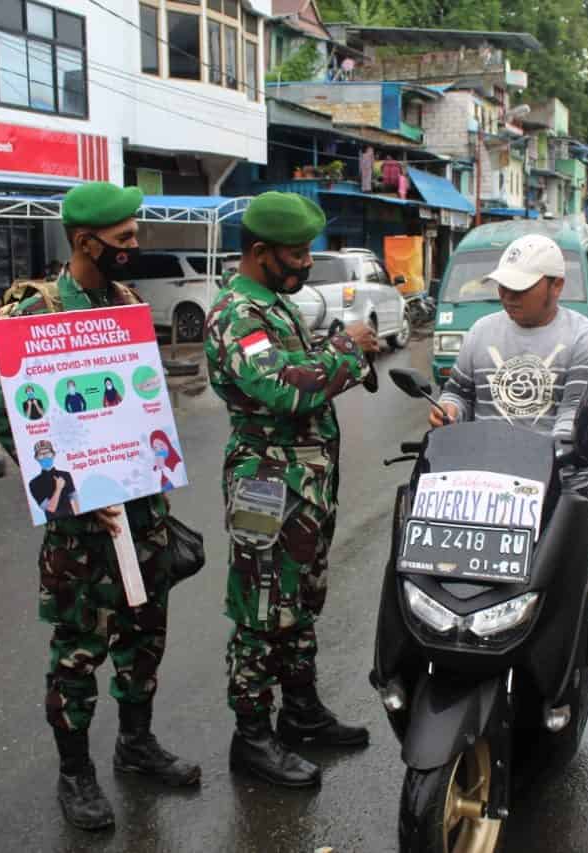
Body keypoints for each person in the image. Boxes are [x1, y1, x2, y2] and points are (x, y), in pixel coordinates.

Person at [0, 180, 199, 833]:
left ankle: (135, 744)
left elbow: (142, 404)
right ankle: (75, 771)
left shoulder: (130, 302)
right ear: (85, 242)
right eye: (125, 240)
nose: (135, 249)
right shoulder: (37, 312)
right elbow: (13, 425)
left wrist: (150, 457)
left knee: (146, 638)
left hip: (142, 512)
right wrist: (75, 482)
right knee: (78, 652)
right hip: (83, 521)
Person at [429, 233, 588, 767]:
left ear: (556, 285)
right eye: (503, 288)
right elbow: (460, 391)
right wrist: (447, 410)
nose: (508, 298)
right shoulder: (481, 332)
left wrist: (537, 468)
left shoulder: (585, 341)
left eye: (521, 288)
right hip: (484, 490)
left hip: (571, 489)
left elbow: (573, 423)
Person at [204, 191, 380, 789]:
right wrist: (347, 351)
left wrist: (336, 354)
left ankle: (300, 712)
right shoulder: (238, 314)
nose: (307, 263)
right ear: (259, 252)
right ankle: (252, 736)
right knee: (259, 609)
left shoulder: (274, 305)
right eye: (298, 254)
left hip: (303, 485)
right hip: (264, 486)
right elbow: (285, 387)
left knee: (299, 601)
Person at [30, 440, 78, 520]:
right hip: (55, 522)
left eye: (47, 453)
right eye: (41, 454)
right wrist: (58, 489)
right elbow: (50, 509)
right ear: (36, 458)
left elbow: (75, 501)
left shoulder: (66, 475)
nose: (45, 456)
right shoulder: (34, 483)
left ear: (53, 454)